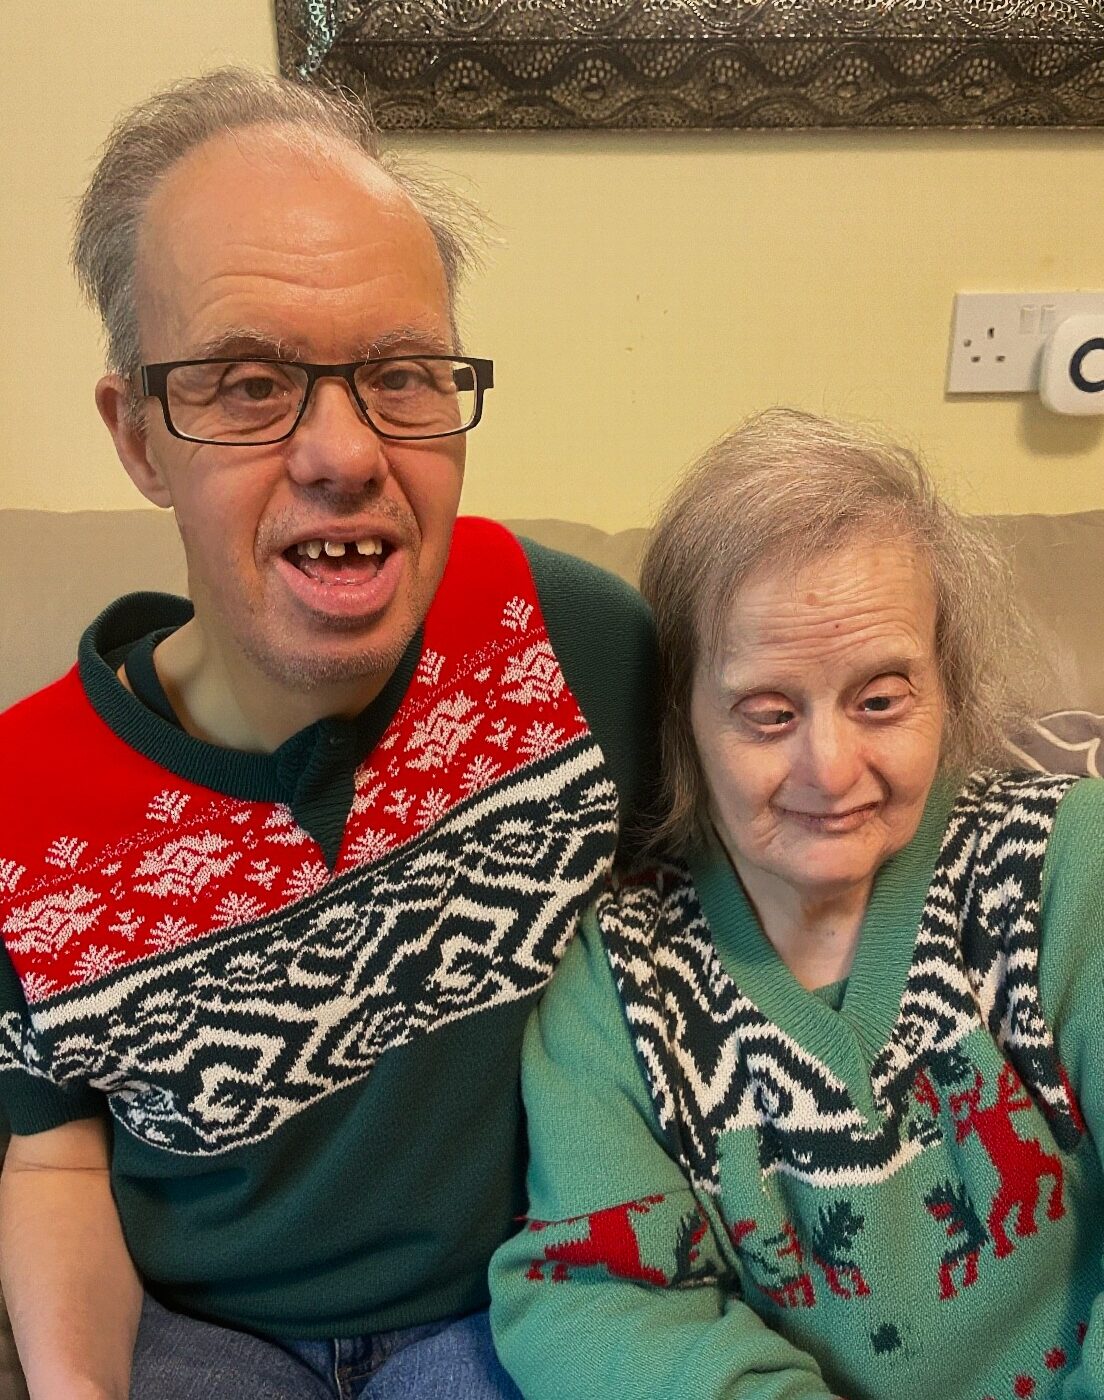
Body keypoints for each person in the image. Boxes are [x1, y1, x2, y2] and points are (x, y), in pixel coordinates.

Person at [0, 68, 656, 1399]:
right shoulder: (23, 803)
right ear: (138, 438)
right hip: (200, 1330)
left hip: (502, 1312)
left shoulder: (577, 643)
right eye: (250, 383)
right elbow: (52, 1151)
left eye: (403, 374)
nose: (345, 452)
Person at [489, 408, 1104, 1400]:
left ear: (951, 687)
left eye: (880, 699)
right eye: (769, 712)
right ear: (683, 724)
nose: (831, 766)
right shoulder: (619, 978)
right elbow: (592, 1296)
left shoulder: (1069, 858)